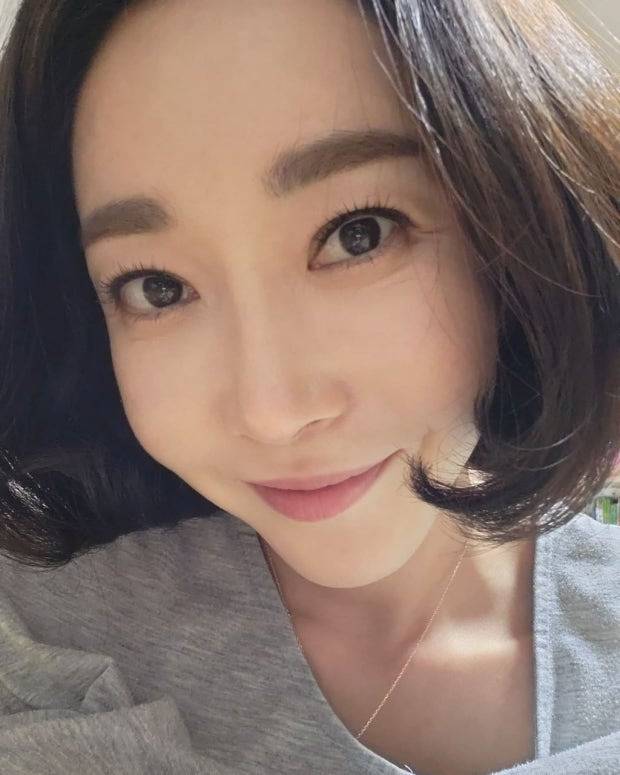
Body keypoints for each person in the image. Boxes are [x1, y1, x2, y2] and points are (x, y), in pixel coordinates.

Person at [0, 0, 618, 772]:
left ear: (519, 217)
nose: (272, 412)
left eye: (359, 233)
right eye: (156, 287)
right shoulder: (37, 635)